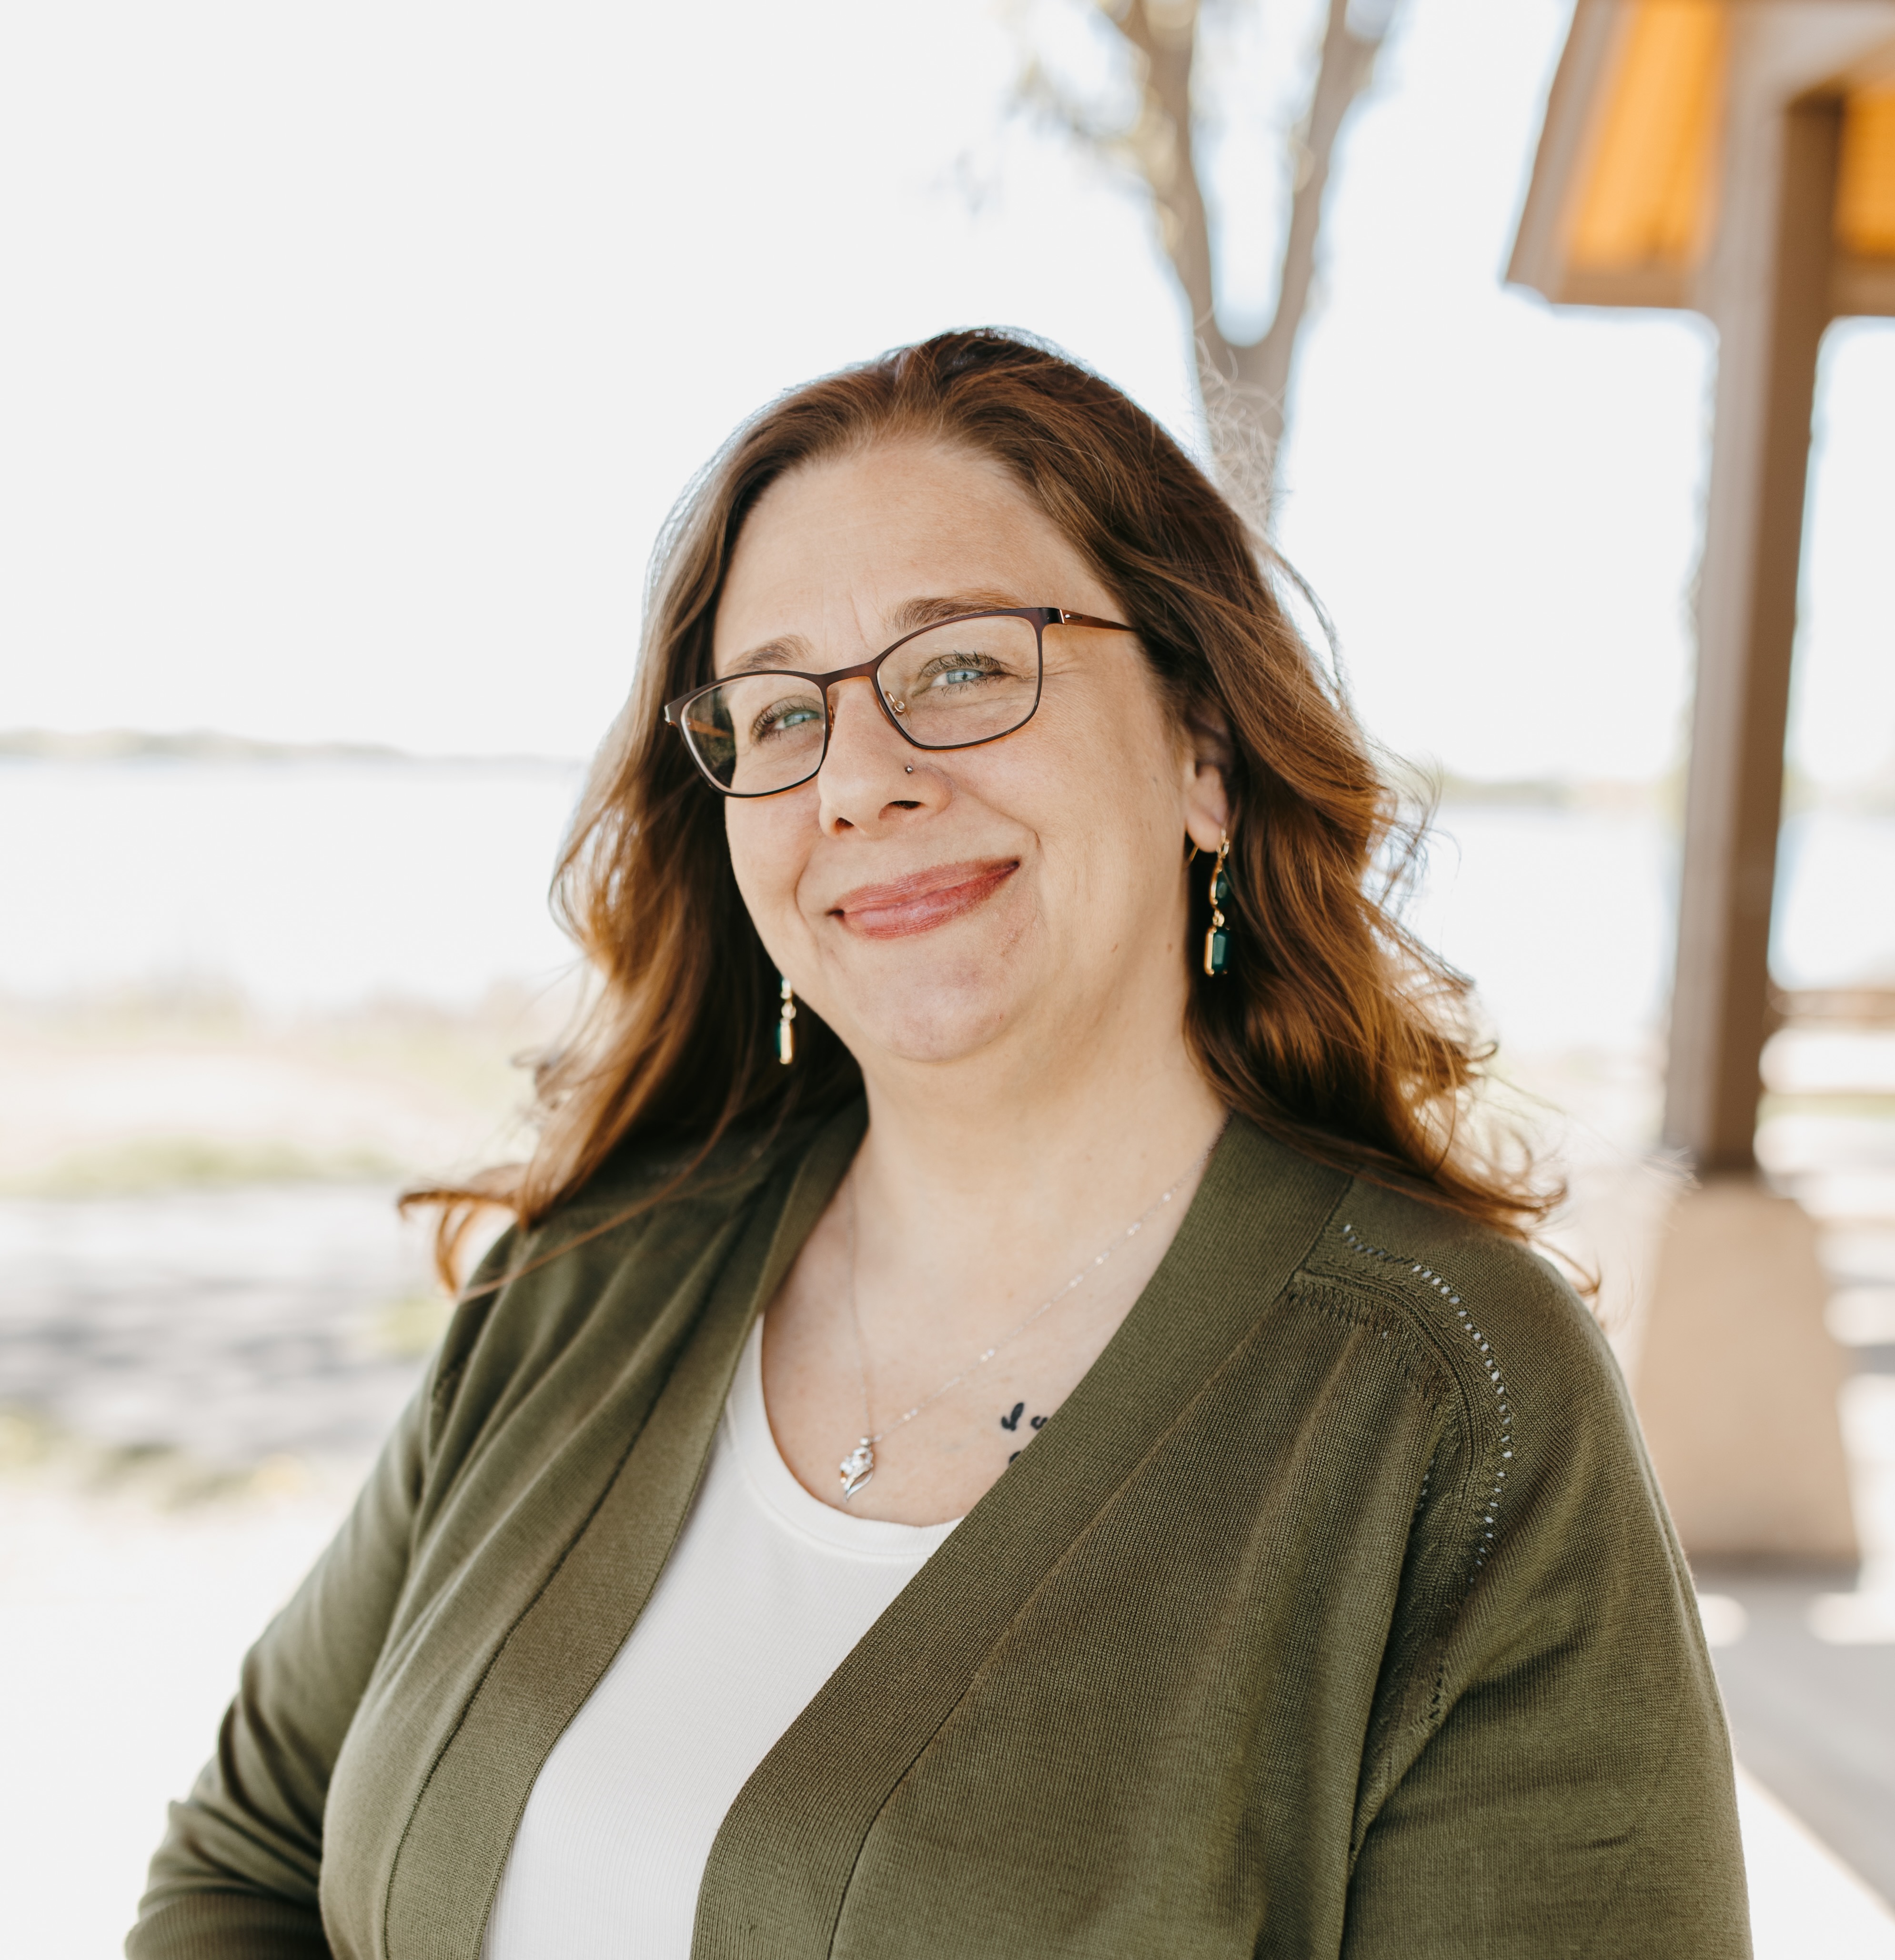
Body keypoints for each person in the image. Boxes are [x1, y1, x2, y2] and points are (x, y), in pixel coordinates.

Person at [129, 330, 1748, 1960]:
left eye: (964, 665)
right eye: (775, 714)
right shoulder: (589, 1280)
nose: (860, 780)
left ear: (1201, 747)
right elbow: (244, 1863)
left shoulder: (1444, 1406)